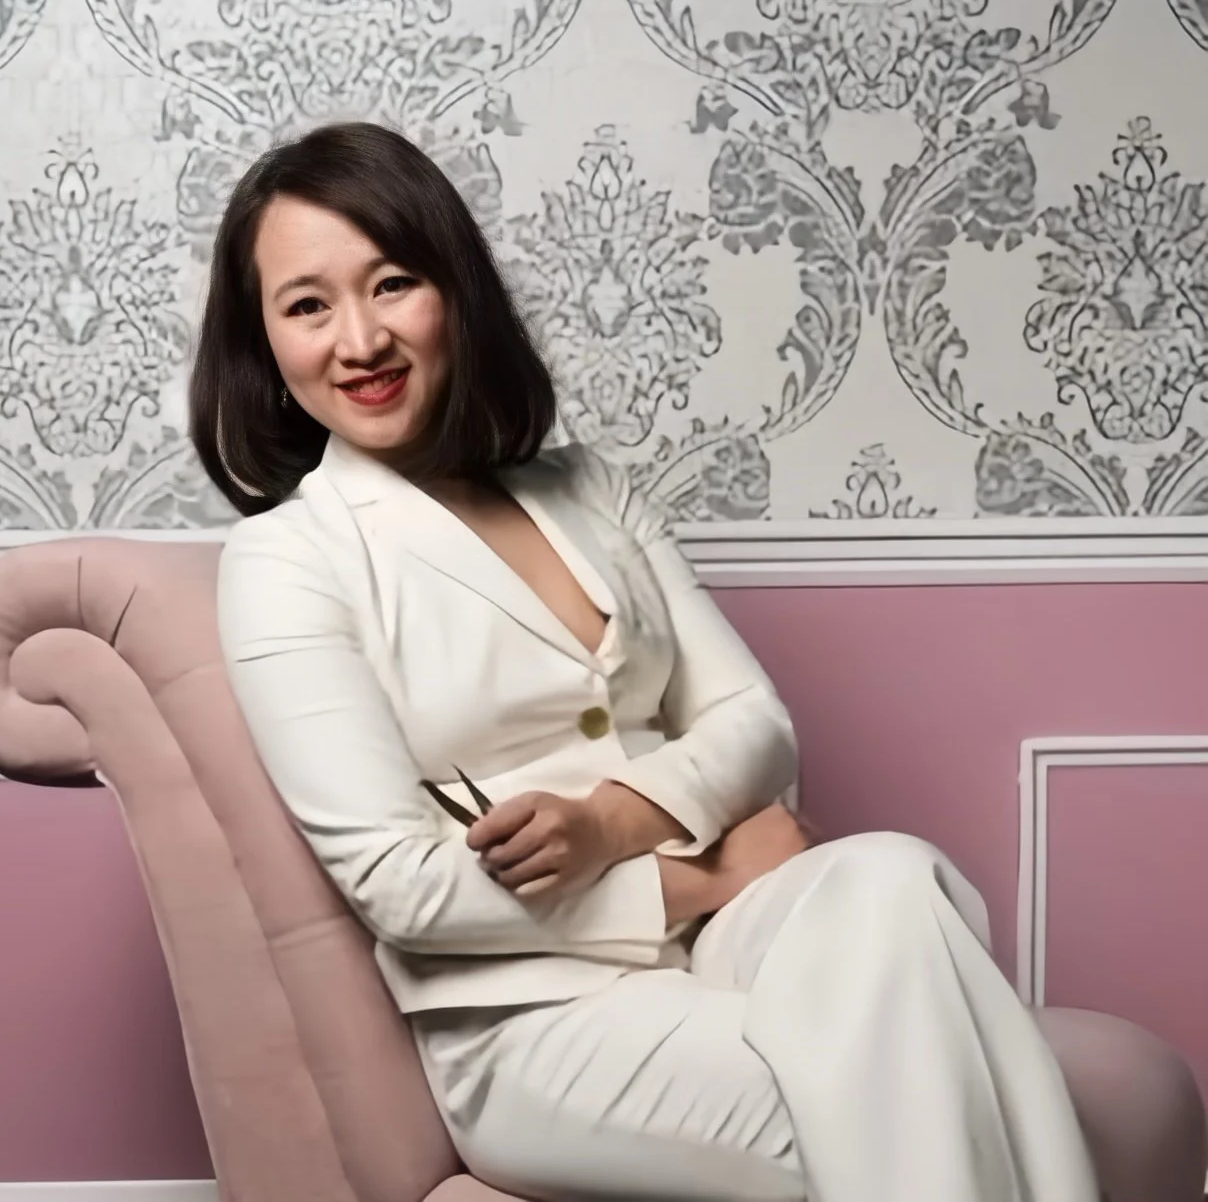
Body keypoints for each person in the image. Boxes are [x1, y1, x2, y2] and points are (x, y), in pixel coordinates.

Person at [193, 121, 1100, 1202]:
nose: (359, 339)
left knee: (893, 872)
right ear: (263, 343)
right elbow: (406, 888)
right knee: (920, 1085)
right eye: (307, 305)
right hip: (534, 1018)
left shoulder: (583, 484)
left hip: (734, 944)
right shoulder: (287, 557)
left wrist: (613, 818)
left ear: (453, 292)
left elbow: (756, 724)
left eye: (392, 284)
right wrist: (704, 869)